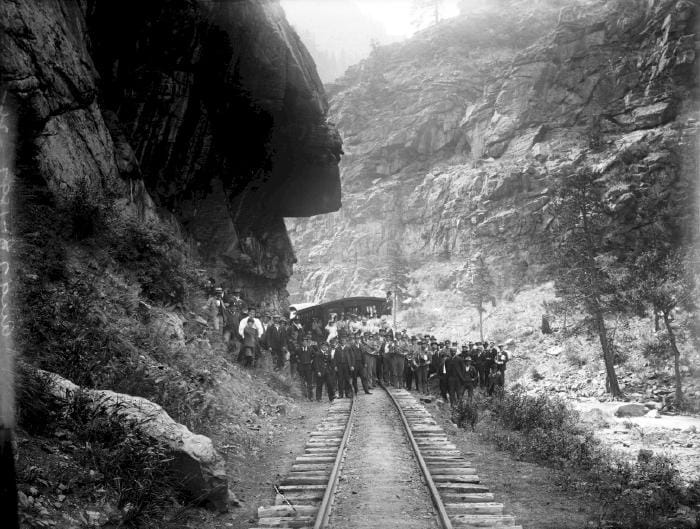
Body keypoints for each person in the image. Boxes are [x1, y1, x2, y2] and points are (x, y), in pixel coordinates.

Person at [297, 333, 316, 400]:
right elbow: (297, 357)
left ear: (307, 342)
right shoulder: (299, 350)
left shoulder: (310, 349)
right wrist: (299, 363)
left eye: (305, 341)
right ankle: (304, 396)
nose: (304, 343)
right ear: (301, 342)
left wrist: (312, 360)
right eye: (303, 341)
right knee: (302, 382)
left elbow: (315, 355)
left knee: (309, 382)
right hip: (302, 367)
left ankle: (310, 396)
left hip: (308, 367)